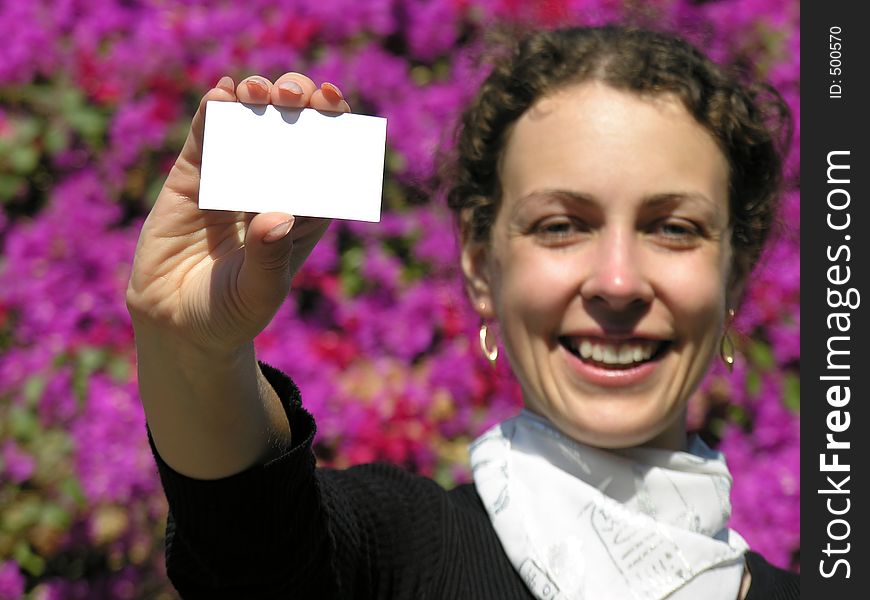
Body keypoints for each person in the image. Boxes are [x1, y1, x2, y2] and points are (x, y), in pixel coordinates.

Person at [127, 26, 799, 599]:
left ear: (733, 275)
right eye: (562, 225)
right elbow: (253, 548)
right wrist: (195, 351)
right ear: (481, 267)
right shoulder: (400, 557)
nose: (617, 282)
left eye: (673, 228)